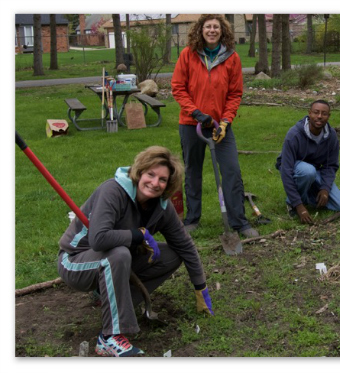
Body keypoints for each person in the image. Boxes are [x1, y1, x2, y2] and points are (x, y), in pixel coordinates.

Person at [58, 146, 214, 357]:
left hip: (110, 260)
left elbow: (185, 246)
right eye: (151, 174)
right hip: (75, 261)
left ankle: (116, 303)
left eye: (162, 179)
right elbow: (98, 239)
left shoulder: (161, 207)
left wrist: (200, 287)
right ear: (140, 172)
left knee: (172, 254)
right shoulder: (113, 191)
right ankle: (110, 337)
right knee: (119, 253)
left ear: (169, 184)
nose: (155, 183)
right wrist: (138, 234)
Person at [171, 14, 258, 238]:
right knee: (193, 171)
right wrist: (198, 114)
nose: (212, 30)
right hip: (192, 124)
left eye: (216, 27)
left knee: (231, 171)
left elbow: (235, 93)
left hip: (220, 126)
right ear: (200, 30)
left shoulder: (232, 58)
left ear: (222, 31)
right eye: (208, 27)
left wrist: (226, 120)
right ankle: (192, 218)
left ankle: (239, 221)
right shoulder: (187, 55)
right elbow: (178, 88)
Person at [276, 100, 340, 224]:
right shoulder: (294, 134)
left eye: (324, 113)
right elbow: (286, 170)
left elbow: (330, 165)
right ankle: (293, 203)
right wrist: (299, 206)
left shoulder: (331, 136)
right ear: (309, 113)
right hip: (297, 168)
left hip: (315, 170)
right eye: (316, 112)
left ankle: (309, 195)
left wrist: (325, 188)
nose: (319, 116)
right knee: (308, 171)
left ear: (329, 116)